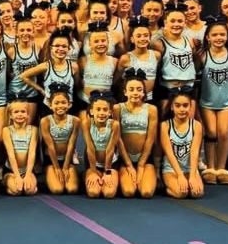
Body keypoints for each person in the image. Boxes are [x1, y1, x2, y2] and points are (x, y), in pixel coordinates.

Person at [195, 18, 228, 185]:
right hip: (207, 101)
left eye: (222, 34)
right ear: (208, 38)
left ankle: (221, 168)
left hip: (227, 101)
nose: (219, 37)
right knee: (211, 133)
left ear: (227, 36)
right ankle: (210, 167)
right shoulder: (202, 56)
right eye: (215, 35)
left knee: (224, 133)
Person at [116, 69, 158, 199]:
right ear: (125, 92)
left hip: (144, 158)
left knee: (146, 193)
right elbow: (117, 139)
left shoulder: (151, 109)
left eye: (139, 89)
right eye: (132, 89)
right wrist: (128, 164)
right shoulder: (117, 108)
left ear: (144, 92)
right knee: (129, 192)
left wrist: (141, 164)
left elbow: (150, 139)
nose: (135, 93)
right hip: (124, 158)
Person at [161, 89, 205, 199]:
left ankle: (189, 179)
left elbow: (194, 152)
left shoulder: (196, 125)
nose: (182, 109)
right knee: (181, 193)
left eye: (185, 106)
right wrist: (180, 175)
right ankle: (166, 188)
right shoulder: (165, 126)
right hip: (171, 170)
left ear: (190, 107)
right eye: (178, 105)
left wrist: (193, 175)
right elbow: (169, 153)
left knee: (197, 193)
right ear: (172, 107)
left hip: (189, 168)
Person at [39, 82, 79, 195]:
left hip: (67, 160)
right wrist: (57, 168)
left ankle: (75, 173)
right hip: (51, 161)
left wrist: (66, 166)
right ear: (50, 105)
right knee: (57, 190)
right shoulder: (45, 121)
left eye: (63, 102)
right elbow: (50, 146)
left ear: (69, 104)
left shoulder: (75, 121)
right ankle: (48, 174)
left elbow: (71, 145)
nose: (60, 106)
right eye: (56, 103)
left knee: (72, 189)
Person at [82, 92, 119, 199]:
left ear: (110, 112)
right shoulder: (87, 123)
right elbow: (90, 148)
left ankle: (109, 175)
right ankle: (87, 174)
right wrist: (93, 171)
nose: (102, 113)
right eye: (98, 109)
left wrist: (107, 172)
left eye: (105, 109)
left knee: (109, 193)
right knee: (93, 193)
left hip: (110, 164)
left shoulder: (114, 125)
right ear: (91, 111)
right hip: (93, 164)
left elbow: (110, 149)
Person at [1, 100, 38, 196]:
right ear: (10, 116)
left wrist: (28, 174)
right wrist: (17, 176)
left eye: (23, 111)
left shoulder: (33, 130)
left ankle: (30, 183)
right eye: (16, 112)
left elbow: (32, 153)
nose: (20, 114)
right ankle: (6, 182)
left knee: (29, 191)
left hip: (27, 170)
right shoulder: (7, 130)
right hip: (12, 171)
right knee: (17, 191)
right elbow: (10, 154)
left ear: (28, 114)